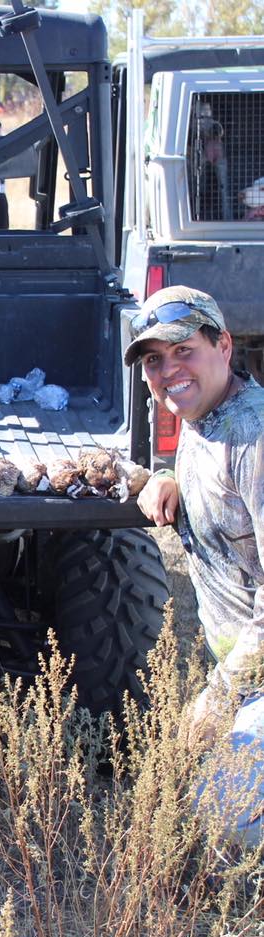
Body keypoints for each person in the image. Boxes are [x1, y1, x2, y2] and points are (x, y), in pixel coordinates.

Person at [132, 285, 263, 845]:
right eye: (154, 360)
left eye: (184, 350)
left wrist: (221, 696)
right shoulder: (203, 416)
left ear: (224, 345)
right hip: (245, 670)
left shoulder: (254, 439)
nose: (169, 371)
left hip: (252, 674)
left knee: (225, 813)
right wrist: (165, 477)